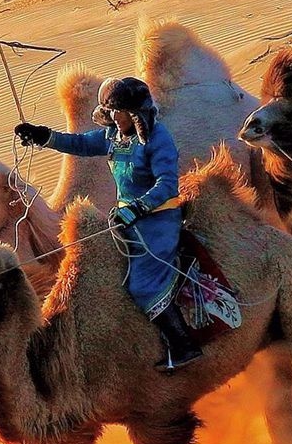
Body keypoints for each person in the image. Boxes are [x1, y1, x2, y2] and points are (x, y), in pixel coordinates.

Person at [14, 76, 203, 371]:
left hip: (157, 219)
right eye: (111, 111)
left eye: (120, 112)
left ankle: (183, 346)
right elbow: (80, 143)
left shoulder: (157, 139)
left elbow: (168, 184)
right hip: (125, 219)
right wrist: (44, 136)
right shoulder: (114, 136)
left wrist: (138, 209)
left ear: (136, 113)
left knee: (143, 286)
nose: (114, 117)